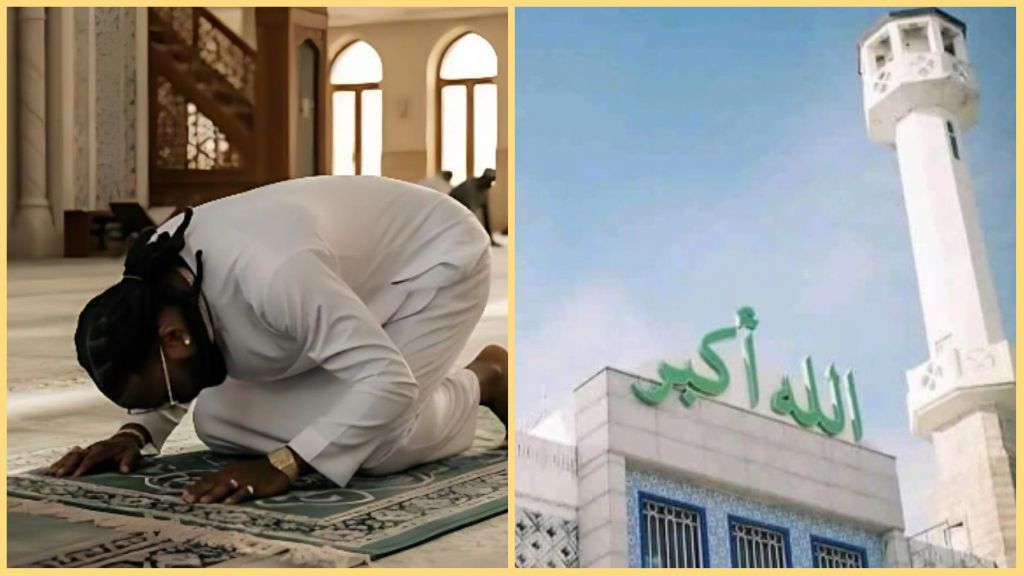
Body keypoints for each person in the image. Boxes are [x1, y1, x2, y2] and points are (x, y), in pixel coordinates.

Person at [49, 175, 507, 506]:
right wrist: (136, 433)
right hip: (331, 291)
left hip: (432, 263)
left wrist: (283, 464)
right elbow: (169, 366)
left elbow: (389, 383)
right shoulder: (150, 280)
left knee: (378, 446)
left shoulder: (273, 272)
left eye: (158, 398)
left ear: (174, 338)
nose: (162, 405)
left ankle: (485, 377)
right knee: (218, 423)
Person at [450, 168, 499, 245]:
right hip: (453, 206)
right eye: (490, 181)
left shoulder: (484, 189)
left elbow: (486, 215)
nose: (490, 184)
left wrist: (490, 238)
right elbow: (471, 213)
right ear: (483, 178)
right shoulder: (470, 186)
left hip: (466, 208)